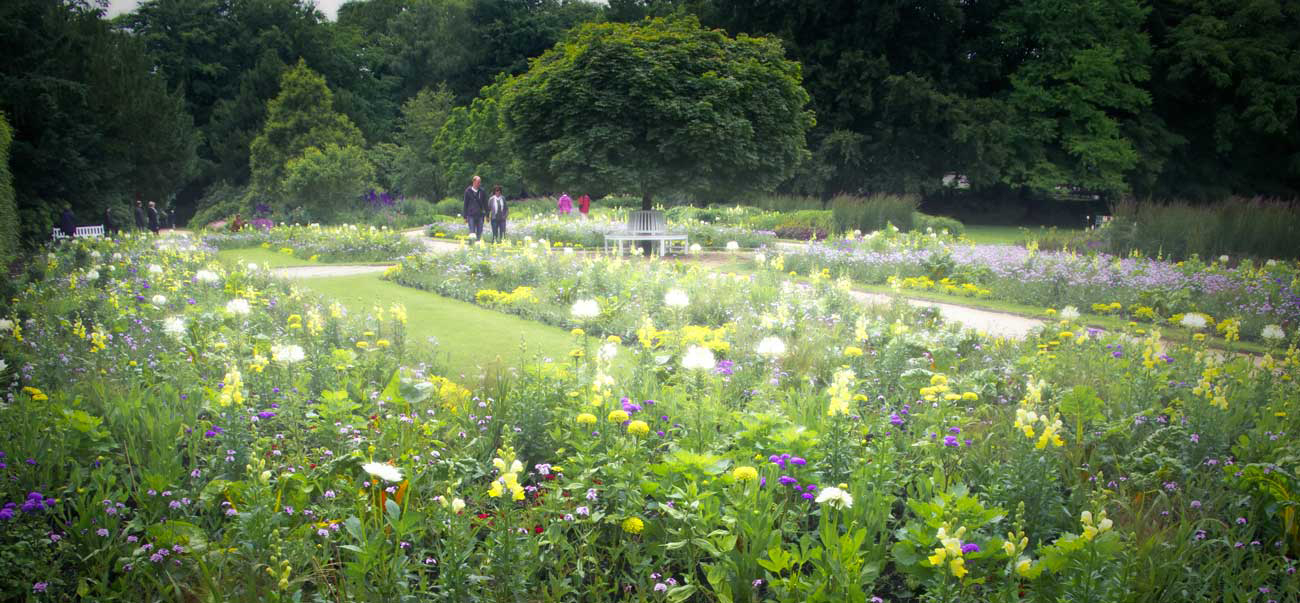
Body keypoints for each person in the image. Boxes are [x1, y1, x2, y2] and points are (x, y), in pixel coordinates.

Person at [463, 175, 487, 242]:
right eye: (478, 182)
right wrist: (465, 216)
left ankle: (478, 247)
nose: (479, 184)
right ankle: (471, 247)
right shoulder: (468, 191)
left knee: (479, 233)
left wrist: (487, 215)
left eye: (480, 182)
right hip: (471, 215)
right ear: (473, 182)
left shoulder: (482, 191)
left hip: (480, 215)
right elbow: (465, 204)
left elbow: (485, 203)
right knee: (472, 233)